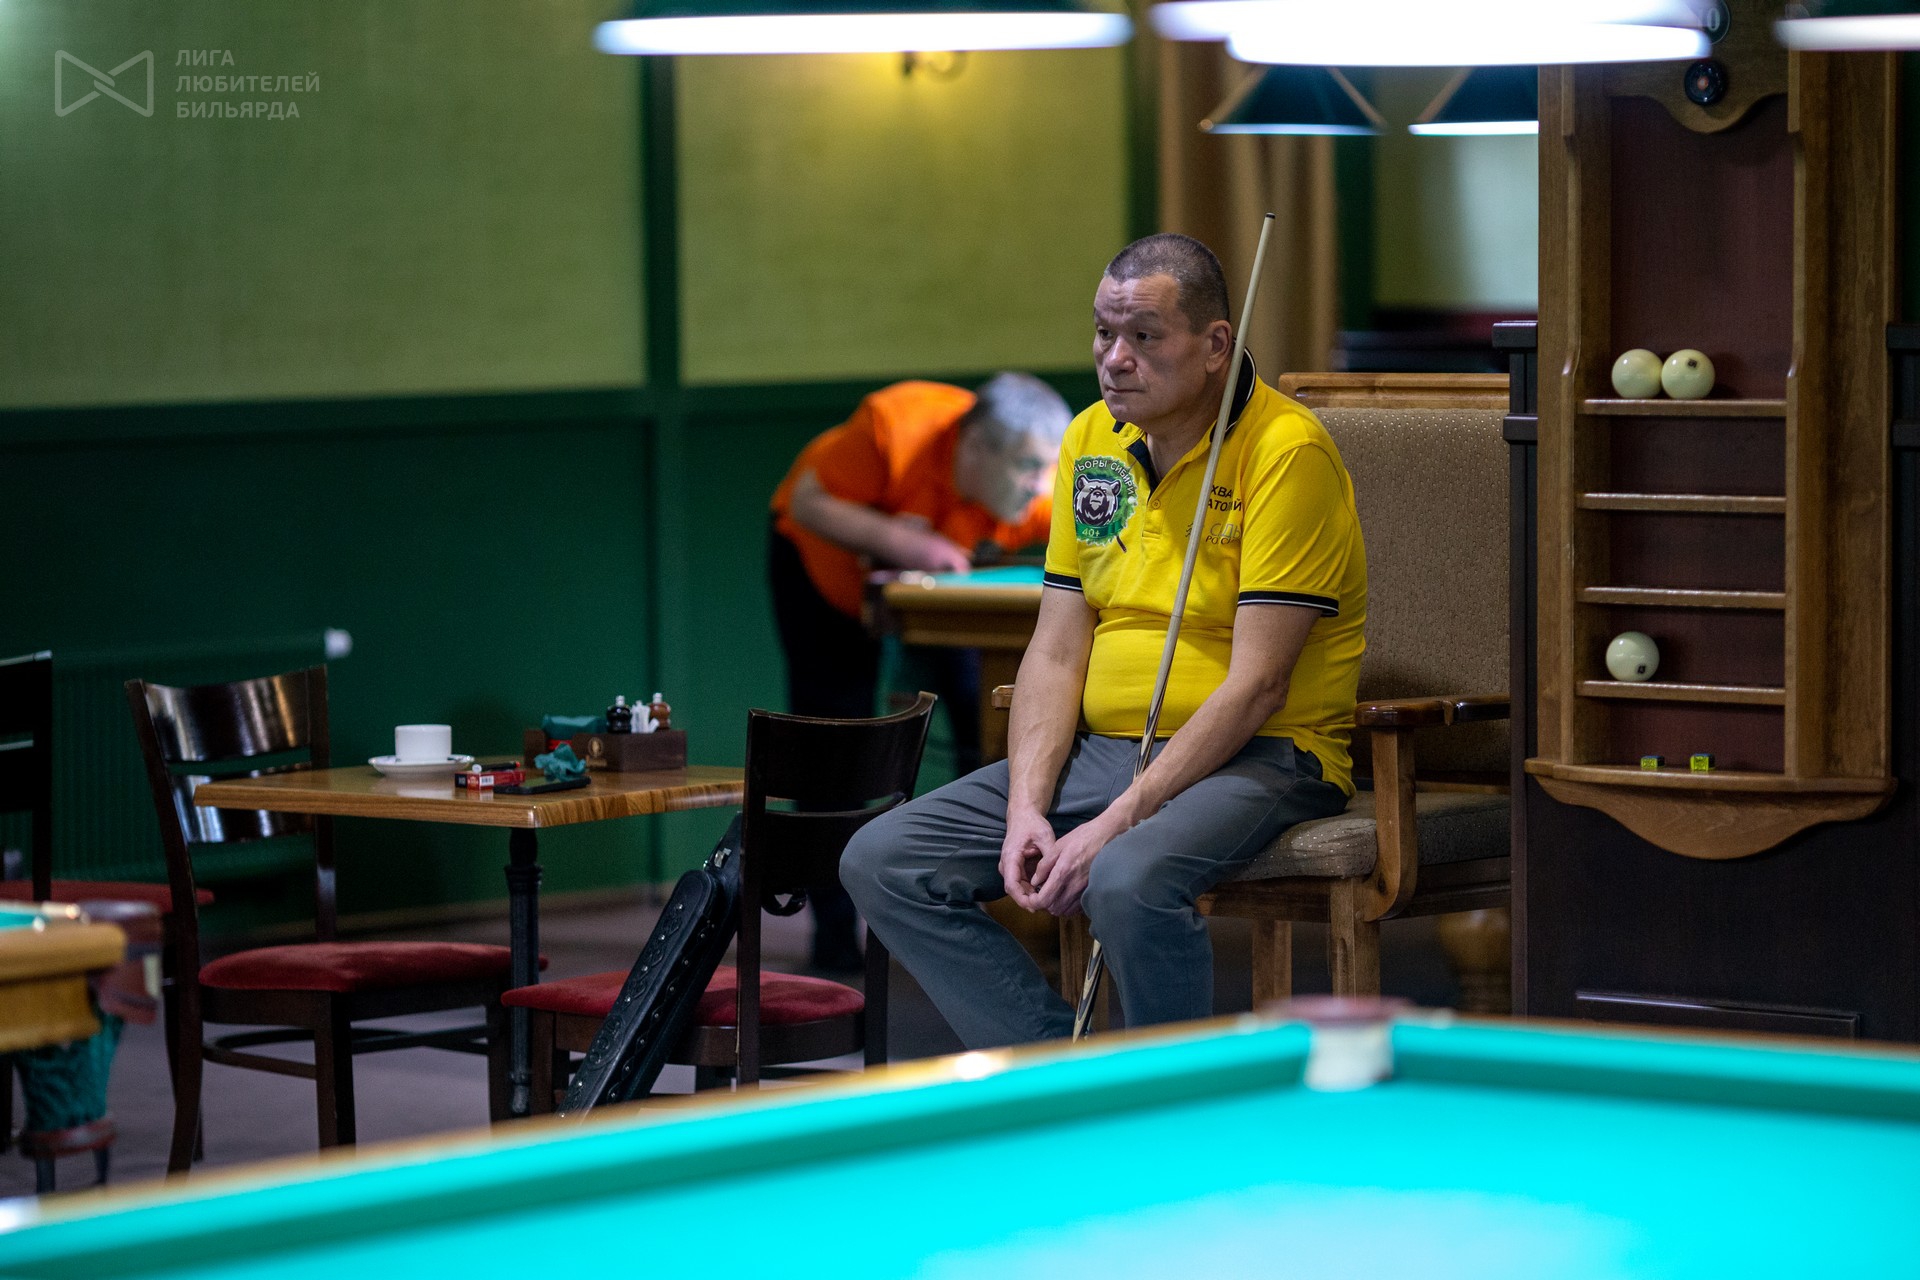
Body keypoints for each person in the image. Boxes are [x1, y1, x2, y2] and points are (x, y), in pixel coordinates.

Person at [839, 233, 1368, 1046]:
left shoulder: (1286, 453)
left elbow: (1259, 684)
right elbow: (1056, 650)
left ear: (1215, 346)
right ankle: (1063, 1070)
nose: (1115, 359)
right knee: (883, 859)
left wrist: (1118, 819)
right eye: (1103, 333)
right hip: (1108, 749)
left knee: (1124, 878)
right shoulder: (1092, 440)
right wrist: (1026, 808)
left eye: (1144, 337)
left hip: (1267, 755)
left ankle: (1166, 1098)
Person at [768, 372, 1073, 970]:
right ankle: (833, 934)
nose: (1041, 486)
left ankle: (986, 912)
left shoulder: (1033, 494)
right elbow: (807, 501)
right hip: (822, 569)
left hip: (944, 592)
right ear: (976, 449)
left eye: (1048, 469)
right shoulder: (894, 427)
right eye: (1028, 468)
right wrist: (906, 544)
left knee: (980, 720)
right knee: (836, 740)